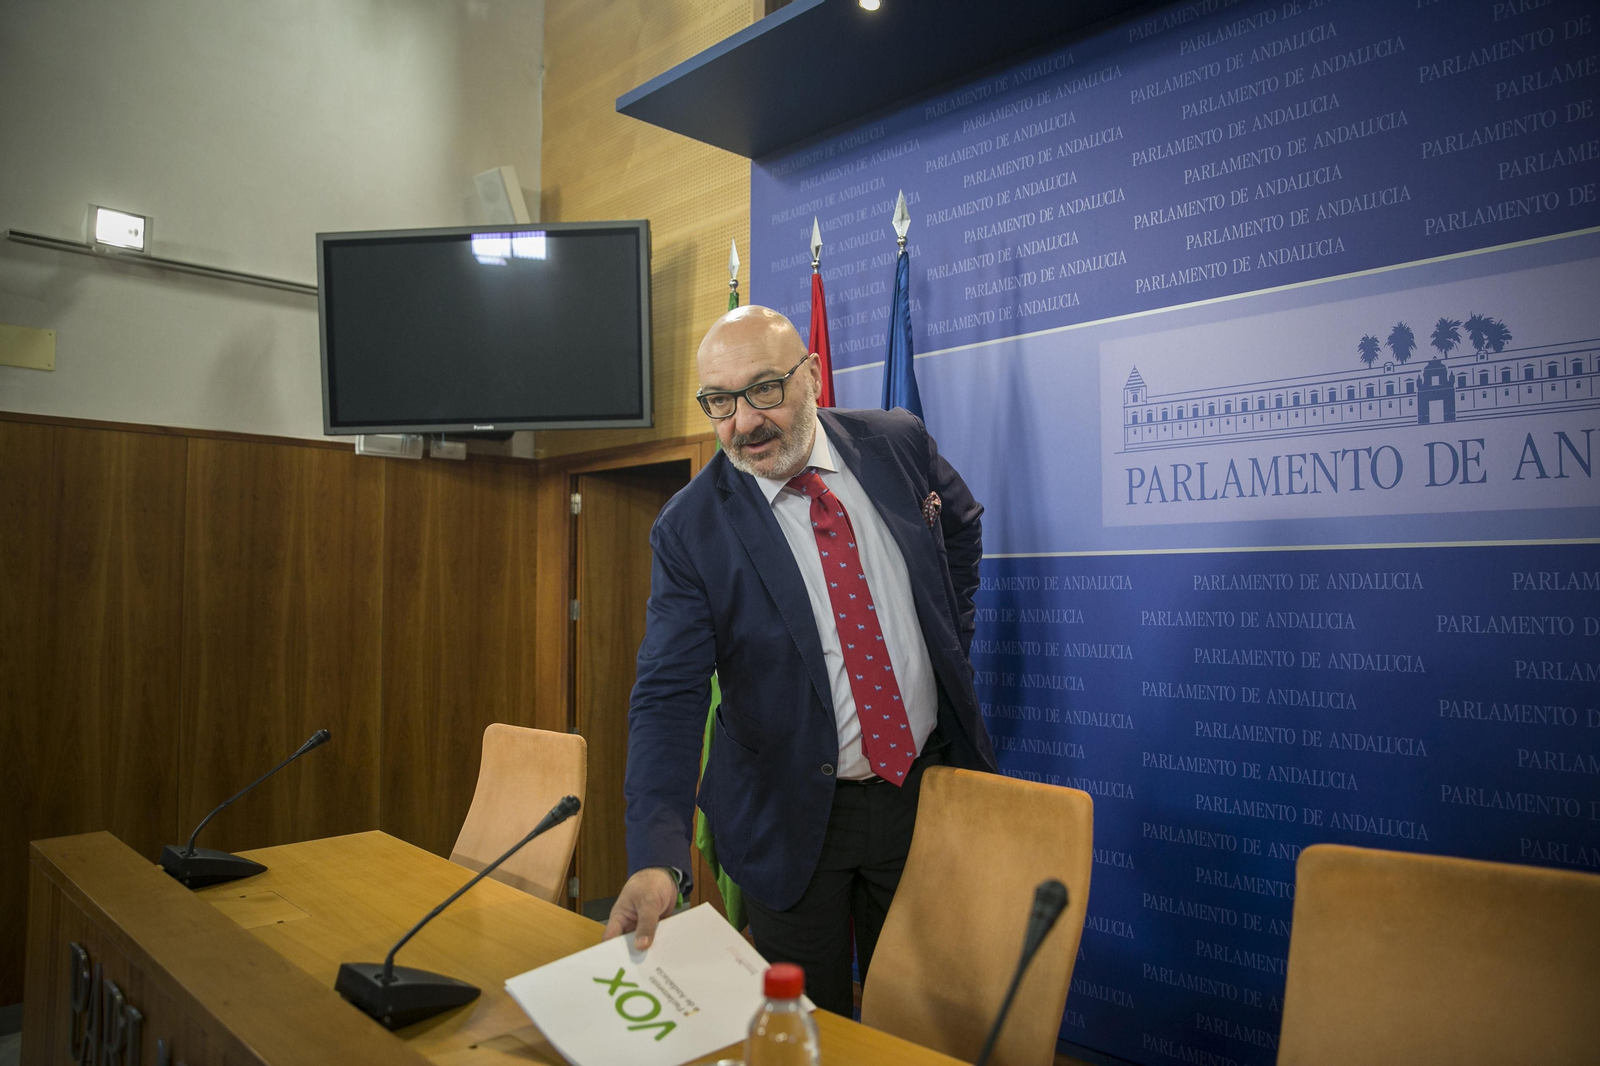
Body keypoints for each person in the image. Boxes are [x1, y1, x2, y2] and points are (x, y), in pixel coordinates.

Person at [603, 305, 997, 1015]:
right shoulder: (690, 530)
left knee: (913, 1022)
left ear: (812, 375)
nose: (744, 423)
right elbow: (667, 697)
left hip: (924, 794)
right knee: (805, 1032)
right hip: (787, 819)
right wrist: (657, 857)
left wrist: (945, 639)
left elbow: (961, 528)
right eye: (719, 402)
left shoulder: (896, 444)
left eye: (763, 390)